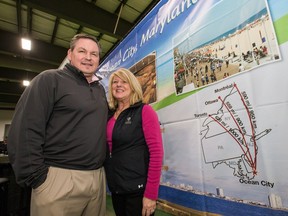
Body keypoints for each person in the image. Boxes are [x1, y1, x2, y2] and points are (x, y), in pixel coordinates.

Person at [7, 34, 108, 216]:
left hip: (96, 179)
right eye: (82, 51)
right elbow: (26, 129)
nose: (88, 57)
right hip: (58, 180)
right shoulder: (49, 79)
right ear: (70, 54)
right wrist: (37, 178)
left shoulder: (99, 89)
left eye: (94, 54)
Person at [104, 68, 164, 216]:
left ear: (132, 86)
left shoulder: (144, 111)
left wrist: (150, 194)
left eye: (124, 82)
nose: (119, 85)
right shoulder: (109, 116)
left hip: (138, 191)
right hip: (117, 189)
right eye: (115, 82)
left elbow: (156, 153)